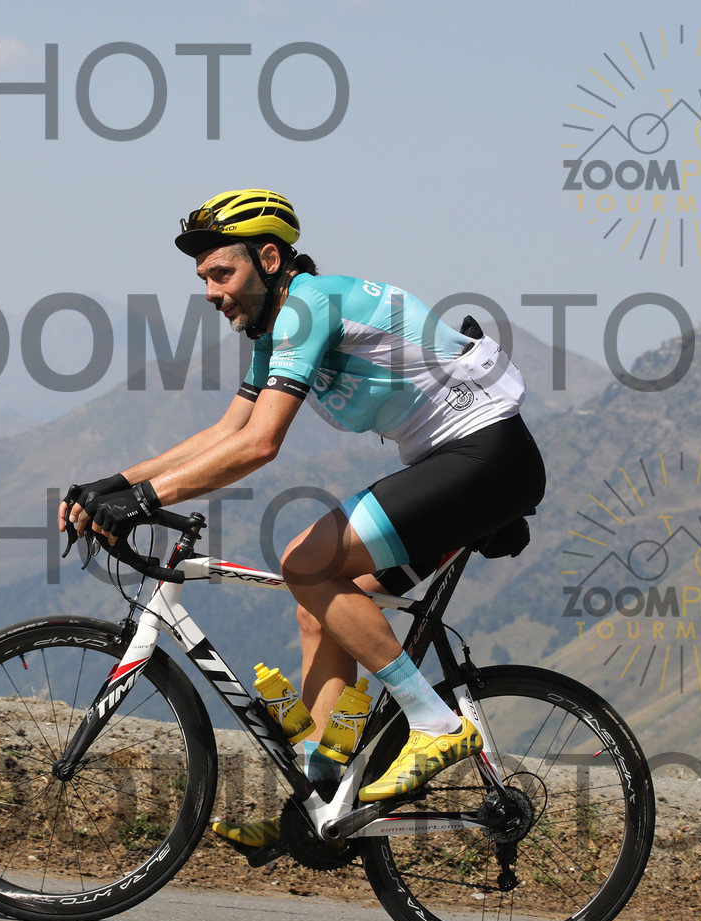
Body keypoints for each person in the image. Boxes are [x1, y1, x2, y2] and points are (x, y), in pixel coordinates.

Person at [59, 189, 546, 849]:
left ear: (269, 258)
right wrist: (116, 484)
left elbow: (260, 446)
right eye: (203, 279)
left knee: (306, 563)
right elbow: (227, 431)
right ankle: (321, 803)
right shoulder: (278, 327)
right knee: (321, 610)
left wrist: (146, 501)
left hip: (484, 456)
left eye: (221, 273)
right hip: (461, 467)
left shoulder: (309, 308)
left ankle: (434, 724)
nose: (211, 293)